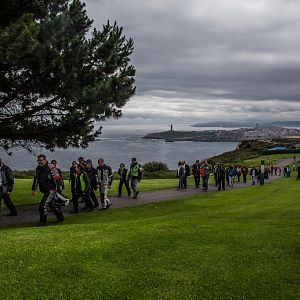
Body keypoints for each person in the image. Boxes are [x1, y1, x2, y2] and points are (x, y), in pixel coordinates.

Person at [32, 155, 65, 226]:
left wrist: (59, 191)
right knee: (52, 205)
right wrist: (34, 188)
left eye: (41, 160)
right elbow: (36, 179)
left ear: (45, 160)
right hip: (45, 190)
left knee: (42, 205)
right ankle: (60, 217)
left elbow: (58, 180)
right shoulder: (38, 168)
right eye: (38, 160)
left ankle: (42, 223)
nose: (39, 162)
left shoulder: (51, 167)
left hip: (51, 190)